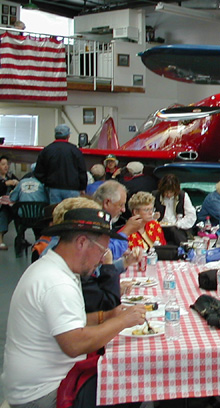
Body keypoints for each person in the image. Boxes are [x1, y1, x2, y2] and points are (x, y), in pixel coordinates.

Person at [1, 207, 147, 408]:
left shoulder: (54, 268)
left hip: (30, 385)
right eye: (102, 250)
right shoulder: (58, 283)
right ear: (81, 242)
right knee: (131, 385)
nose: (102, 259)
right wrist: (122, 321)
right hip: (43, 393)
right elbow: (74, 344)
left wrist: (108, 316)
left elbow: (67, 324)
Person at [34, 124, 87, 204]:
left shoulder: (47, 150)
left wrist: (48, 182)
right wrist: (82, 187)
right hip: (72, 189)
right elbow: (82, 171)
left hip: (53, 189)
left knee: (56, 213)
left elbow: (38, 172)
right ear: (68, 136)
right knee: (71, 214)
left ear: (55, 135)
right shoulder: (75, 151)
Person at [93, 180, 145, 260]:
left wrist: (125, 262)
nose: (123, 210)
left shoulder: (104, 218)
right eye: (121, 205)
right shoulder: (95, 220)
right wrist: (126, 231)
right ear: (107, 203)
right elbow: (104, 254)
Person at [153, 174, 197, 245]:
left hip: (177, 227)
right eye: (166, 192)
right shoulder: (155, 195)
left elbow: (191, 215)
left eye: (171, 192)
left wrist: (178, 224)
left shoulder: (182, 196)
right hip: (159, 227)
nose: (168, 195)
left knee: (174, 232)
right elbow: (147, 214)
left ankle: (184, 247)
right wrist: (154, 217)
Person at [0, 155, 19, 250]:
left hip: (10, 203)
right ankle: (0, 240)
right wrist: (5, 184)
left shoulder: (10, 176)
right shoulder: (4, 180)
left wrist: (16, 183)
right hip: (1, 204)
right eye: (3, 164)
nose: (6, 166)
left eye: (7, 164)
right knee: (3, 213)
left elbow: (19, 182)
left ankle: (20, 237)